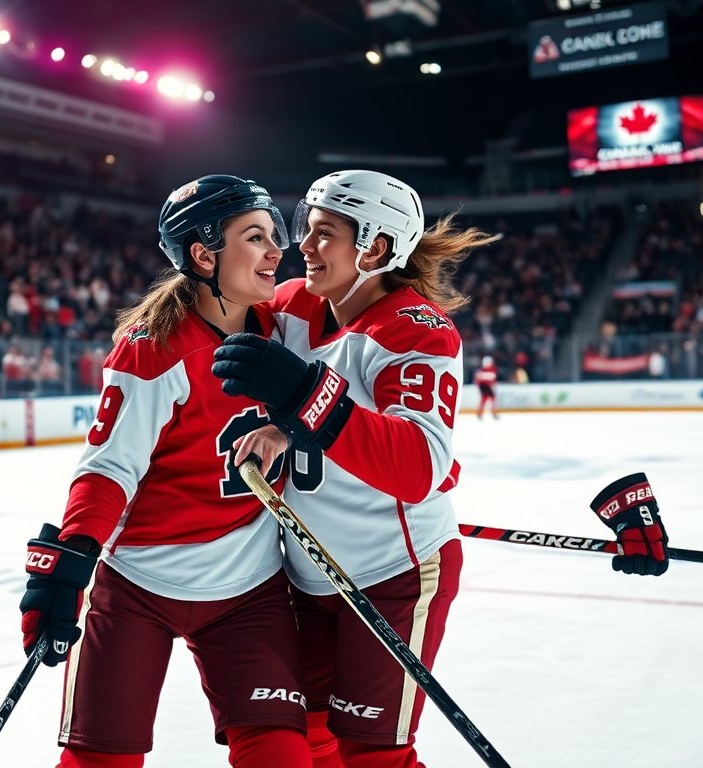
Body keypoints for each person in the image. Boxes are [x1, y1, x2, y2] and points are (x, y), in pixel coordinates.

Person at [214, 170, 672, 768]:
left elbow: (420, 465)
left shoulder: (415, 329)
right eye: (306, 228)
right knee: (305, 736)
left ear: (375, 248)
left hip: (394, 573)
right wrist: (283, 423)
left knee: (372, 753)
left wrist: (303, 396)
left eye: (324, 233)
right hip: (307, 572)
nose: (304, 244)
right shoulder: (297, 304)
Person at [17, 174, 311, 768]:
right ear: (204, 255)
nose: (278, 250)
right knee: (100, 761)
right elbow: (108, 468)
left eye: (275, 234)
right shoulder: (153, 347)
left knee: (281, 755)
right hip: (139, 589)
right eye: (256, 237)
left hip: (248, 587)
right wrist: (73, 557)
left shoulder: (287, 323)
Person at [473, 354, 499, 420]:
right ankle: (481, 413)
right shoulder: (482, 370)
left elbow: (493, 378)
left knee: (489, 398)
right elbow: (478, 379)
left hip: (487, 386)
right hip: (483, 386)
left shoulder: (491, 369)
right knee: (486, 398)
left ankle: (490, 413)